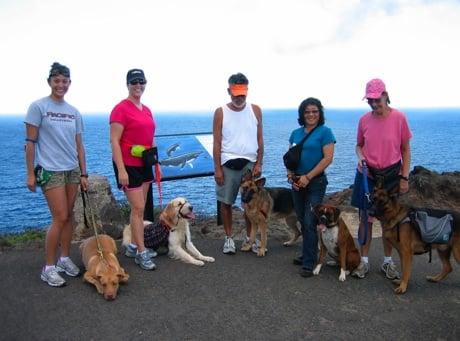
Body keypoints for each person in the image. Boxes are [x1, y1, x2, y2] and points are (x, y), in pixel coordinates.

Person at [25, 62, 89, 287]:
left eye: (64, 81)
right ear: (49, 82)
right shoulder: (38, 107)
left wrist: (84, 173)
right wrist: (30, 174)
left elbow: (79, 145)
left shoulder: (74, 112)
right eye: (57, 81)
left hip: (71, 169)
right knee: (60, 217)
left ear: (69, 83)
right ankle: (48, 267)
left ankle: (64, 259)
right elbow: (30, 143)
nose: (60, 85)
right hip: (50, 170)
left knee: (69, 215)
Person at [351, 78, 412, 279]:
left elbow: (405, 149)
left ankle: (387, 261)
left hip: (391, 175)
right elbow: (359, 145)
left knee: (389, 220)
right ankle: (364, 261)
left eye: (377, 100)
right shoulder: (364, 120)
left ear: (385, 96)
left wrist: (404, 177)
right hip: (368, 175)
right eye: (370, 101)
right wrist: (361, 158)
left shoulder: (399, 118)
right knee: (364, 219)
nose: (374, 104)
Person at [110, 68, 159, 271]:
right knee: (139, 209)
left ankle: (133, 245)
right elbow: (114, 140)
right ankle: (141, 252)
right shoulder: (120, 109)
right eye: (134, 82)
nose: (138, 85)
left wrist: (157, 164)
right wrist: (121, 170)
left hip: (145, 163)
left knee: (139, 208)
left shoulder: (146, 109)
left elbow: (150, 138)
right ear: (127, 84)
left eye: (141, 81)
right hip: (129, 165)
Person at [213, 72, 264, 255]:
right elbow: (217, 142)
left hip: (249, 163)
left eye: (242, 92)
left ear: (247, 91)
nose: (239, 97)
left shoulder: (255, 110)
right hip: (228, 164)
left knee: (250, 204)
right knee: (226, 203)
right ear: (229, 91)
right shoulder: (221, 112)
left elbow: (259, 138)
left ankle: (250, 238)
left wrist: (259, 163)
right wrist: (217, 169)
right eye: (235, 92)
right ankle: (228, 238)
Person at [287, 97, 335, 278]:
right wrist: (290, 173)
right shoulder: (295, 133)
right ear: (302, 114)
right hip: (297, 182)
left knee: (309, 221)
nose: (311, 114)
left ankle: (309, 262)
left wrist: (308, 177)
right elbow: (290, 157)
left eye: (315, 111)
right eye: (307, 111)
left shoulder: (325, 132)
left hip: (315, 182)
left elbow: (327, 158)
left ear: (320, 113)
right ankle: (309, 252)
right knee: (301, 217)